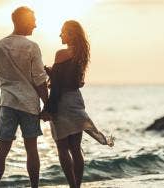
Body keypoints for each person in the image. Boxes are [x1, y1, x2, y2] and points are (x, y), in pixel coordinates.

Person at [41, 20, 114, 188]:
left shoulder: (61, 54)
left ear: (71, 34)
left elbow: (58, 86)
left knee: (62, 147)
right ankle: (77, 187)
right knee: (75, 147)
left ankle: (72, 185)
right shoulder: (81, 55)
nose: (60, 35)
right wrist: (52, 72)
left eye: (63, 32)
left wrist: (48, 109)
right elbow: (73, 81)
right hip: (76, 101)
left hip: (63, 103)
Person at [0, 6, 51, 188]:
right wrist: (47, 106)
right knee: (31, 149)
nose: (36, 25)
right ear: (23, 21)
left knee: (2, 150)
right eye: (33, 21)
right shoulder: (32, 47)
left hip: (7, 103)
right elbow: (40, 80)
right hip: (29, 105)